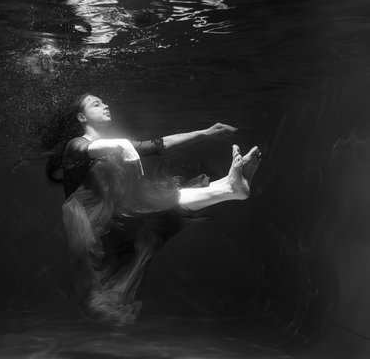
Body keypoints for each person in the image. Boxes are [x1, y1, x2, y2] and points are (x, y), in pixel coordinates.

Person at [37, 93, 261, 326]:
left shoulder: (114, 147)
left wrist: (204, 132)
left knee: (161, 203)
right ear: (82, 116)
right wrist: (120, 144)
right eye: (96, 103)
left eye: (104, 102)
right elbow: (91, 147)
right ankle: (229, 187)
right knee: (151, 198)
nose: (106, 105)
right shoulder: (76, 146)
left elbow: (160, 144)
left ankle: (229, 188)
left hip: (120, 220)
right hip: (95, 234)